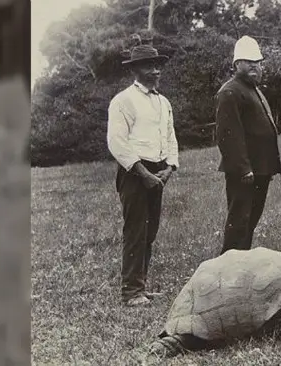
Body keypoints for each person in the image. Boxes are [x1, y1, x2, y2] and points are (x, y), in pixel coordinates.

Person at [107, 38, 179, 307]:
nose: (156, 71)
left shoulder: (164, 103)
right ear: (134, 70)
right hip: (134, 173)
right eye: (149, 66)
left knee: (150, 232)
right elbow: (117, 143)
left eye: (158, 65)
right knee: (136, 231)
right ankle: (131, 292)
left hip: (158, 172)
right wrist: (143, 174)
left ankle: (142, 286)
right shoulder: (123, 101)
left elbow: (170, 136)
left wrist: (169, 168)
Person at [214, 35, 281, 256]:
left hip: (260, 169)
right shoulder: (230, 91)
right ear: (236, 64)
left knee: (250, 220)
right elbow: (228, 135)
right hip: (245, 172)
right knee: (239, 221)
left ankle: (240, 263)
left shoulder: (253, 89)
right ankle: (228, 268)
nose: (254, 65)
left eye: (258, 61)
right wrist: (243, 168)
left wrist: (267, 167)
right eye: (248, 61)